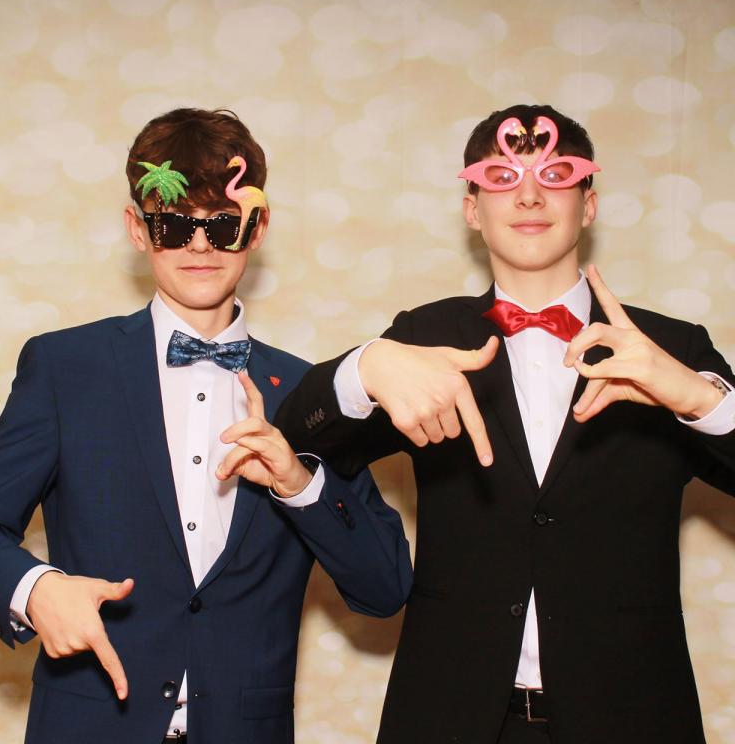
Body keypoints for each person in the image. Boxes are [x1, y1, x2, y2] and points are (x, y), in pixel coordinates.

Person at [275, 104, 735, 744]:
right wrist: (365, 366)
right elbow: (297, 438)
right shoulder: (425, 336)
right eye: (501, 177)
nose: (528, 195)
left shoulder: (670, 347)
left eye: (554, 175)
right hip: (449, 717)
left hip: (633, 715)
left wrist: (693, 394)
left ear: (589, 205)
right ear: (472, 210)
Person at [0, 108, 412, 744]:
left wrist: (299, 484)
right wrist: (34, 589)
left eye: (222, 224)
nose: (199, 245)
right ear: (138, 230)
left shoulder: (310, 394)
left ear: (256, 229)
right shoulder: (66, 368)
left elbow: (385, 587)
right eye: (174, 225)